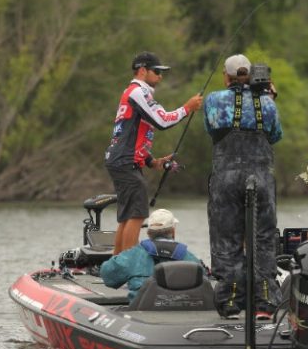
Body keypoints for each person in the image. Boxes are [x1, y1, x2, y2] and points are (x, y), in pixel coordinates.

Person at [203, 54, 283, 319]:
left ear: (226, 76)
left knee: (227, 238)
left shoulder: (214, 99)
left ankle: (230, 300)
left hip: (225, 177)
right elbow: (275, 135)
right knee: (263, 238)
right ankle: (265, 302)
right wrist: (270, 99)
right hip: (260, 176)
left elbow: (211, 128)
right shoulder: (267, 104)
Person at [105, 52, 203, 255]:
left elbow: (131, 132)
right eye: (157, 71)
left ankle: (117, 263)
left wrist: (152, 161)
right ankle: (129, 265)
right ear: (142, 71)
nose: (161, 76)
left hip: (122, 160)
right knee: (138, 214)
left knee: (126, 217)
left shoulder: (137, 93)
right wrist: (188, 107)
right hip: (124, 161)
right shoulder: (136, 92)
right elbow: (163, 121)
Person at [99, 208, 203, 302]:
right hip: (181, 312)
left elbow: (108, 277)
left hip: (142, 313)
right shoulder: (191, 258)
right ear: (173, 231)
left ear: (149, 233)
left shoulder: (132, 255)